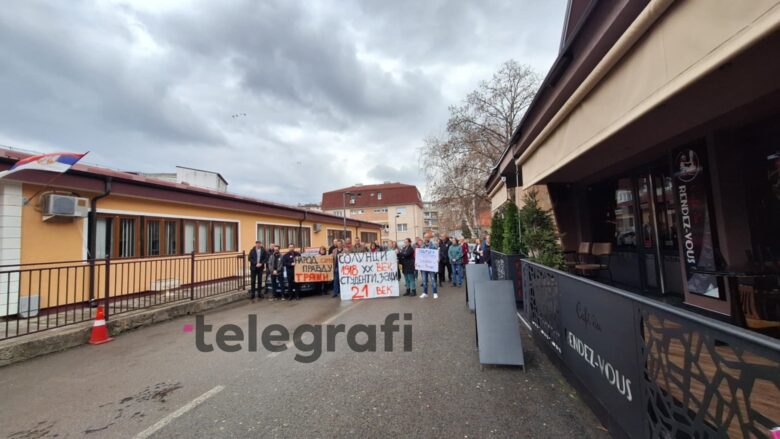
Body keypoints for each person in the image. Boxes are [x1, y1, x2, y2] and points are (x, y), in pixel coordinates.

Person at [419, 232, 439, 299]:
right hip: (424, 266)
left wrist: (437, 260)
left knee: (433, 280)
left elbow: (436, 253)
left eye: (427, 237)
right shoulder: (422, 245)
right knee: (424, 280)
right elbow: (420, 255)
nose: (426, 238)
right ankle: (425, 293)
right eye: (425, 237)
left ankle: (435, 293)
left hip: (431, 266)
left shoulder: (433, 245)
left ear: (429, 238)